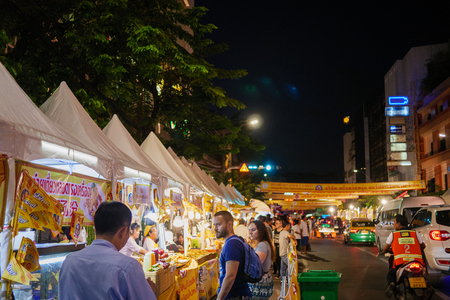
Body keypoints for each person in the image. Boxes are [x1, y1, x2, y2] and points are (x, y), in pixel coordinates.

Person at [59, 201, 157, 300]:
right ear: (123, 232)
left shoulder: (69, 262)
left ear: (96, 230)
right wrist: (149, 289)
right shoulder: (128, 267)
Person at [379, 214, 425, 298]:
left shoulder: (393, 234)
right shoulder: (415, 233)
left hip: (401, 263)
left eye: (394, 222)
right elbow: (423, 246)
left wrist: (383, 251)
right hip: (417, 262)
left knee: (390, 274)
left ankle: (392, 286)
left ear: (399, 224)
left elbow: (386, 247)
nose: (393, 224)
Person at [213, 211, 251, 300]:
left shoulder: (232, 244)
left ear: (229, 224)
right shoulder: (234, 241)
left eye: (218, 224)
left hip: (235, 295)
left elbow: (230, 276)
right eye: (214, 225)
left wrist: (219, 298)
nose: (215, 228)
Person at [248, 220, 275, 300]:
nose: (250, 232)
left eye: (253, 230)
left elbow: (255, 265)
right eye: (249, 230)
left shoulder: (262, 245)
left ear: (261, 231)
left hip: (260, 283)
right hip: (262, 281)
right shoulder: (262, 243)